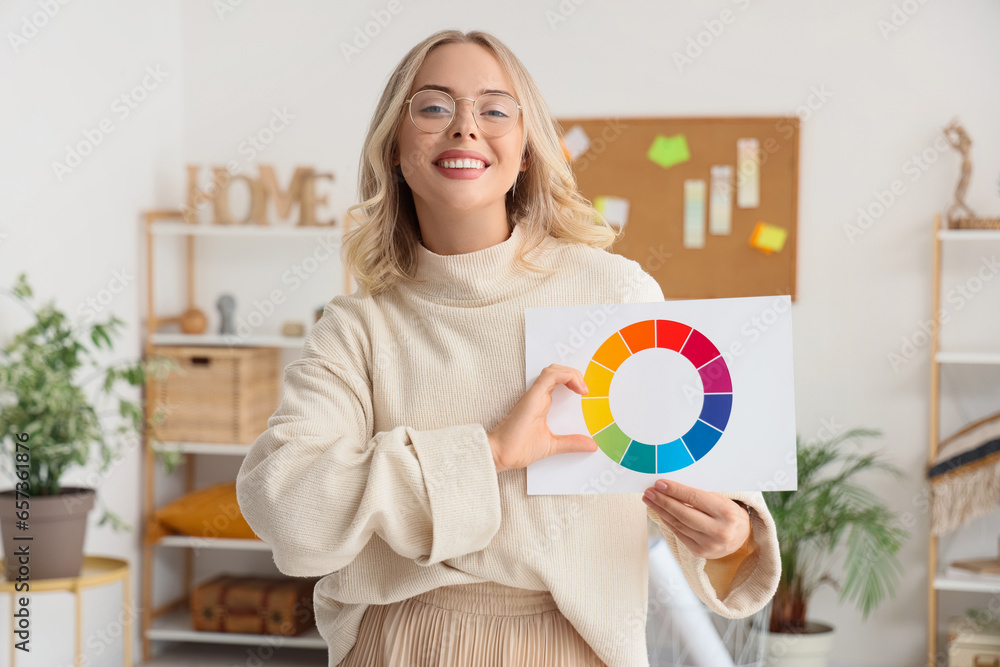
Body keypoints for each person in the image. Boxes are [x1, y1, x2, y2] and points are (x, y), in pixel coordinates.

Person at [235, 28, 780, 667]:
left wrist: (733, 533)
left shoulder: (613, 289)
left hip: (572, 646)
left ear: (524, 151)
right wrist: (489, 452)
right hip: (396, 646)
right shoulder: (358, 327)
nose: (465, 127)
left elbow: (701, 468)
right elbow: (288, 509)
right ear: (395, 150)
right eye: (434, 107)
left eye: (495, 109)